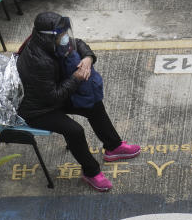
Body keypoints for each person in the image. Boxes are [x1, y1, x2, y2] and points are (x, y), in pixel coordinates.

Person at [16, 12, 140, 192]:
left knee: (93, 104)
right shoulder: (40, 62)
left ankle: (113, 147)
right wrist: (76, 78)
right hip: (37, 110)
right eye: (61, 34)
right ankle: (91, 171)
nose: (65, 37)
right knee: (74, 130)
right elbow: (55, 97)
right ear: (48, 36)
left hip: (52, 95)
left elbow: (78, 44)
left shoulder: (50, 44)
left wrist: (88, 59)